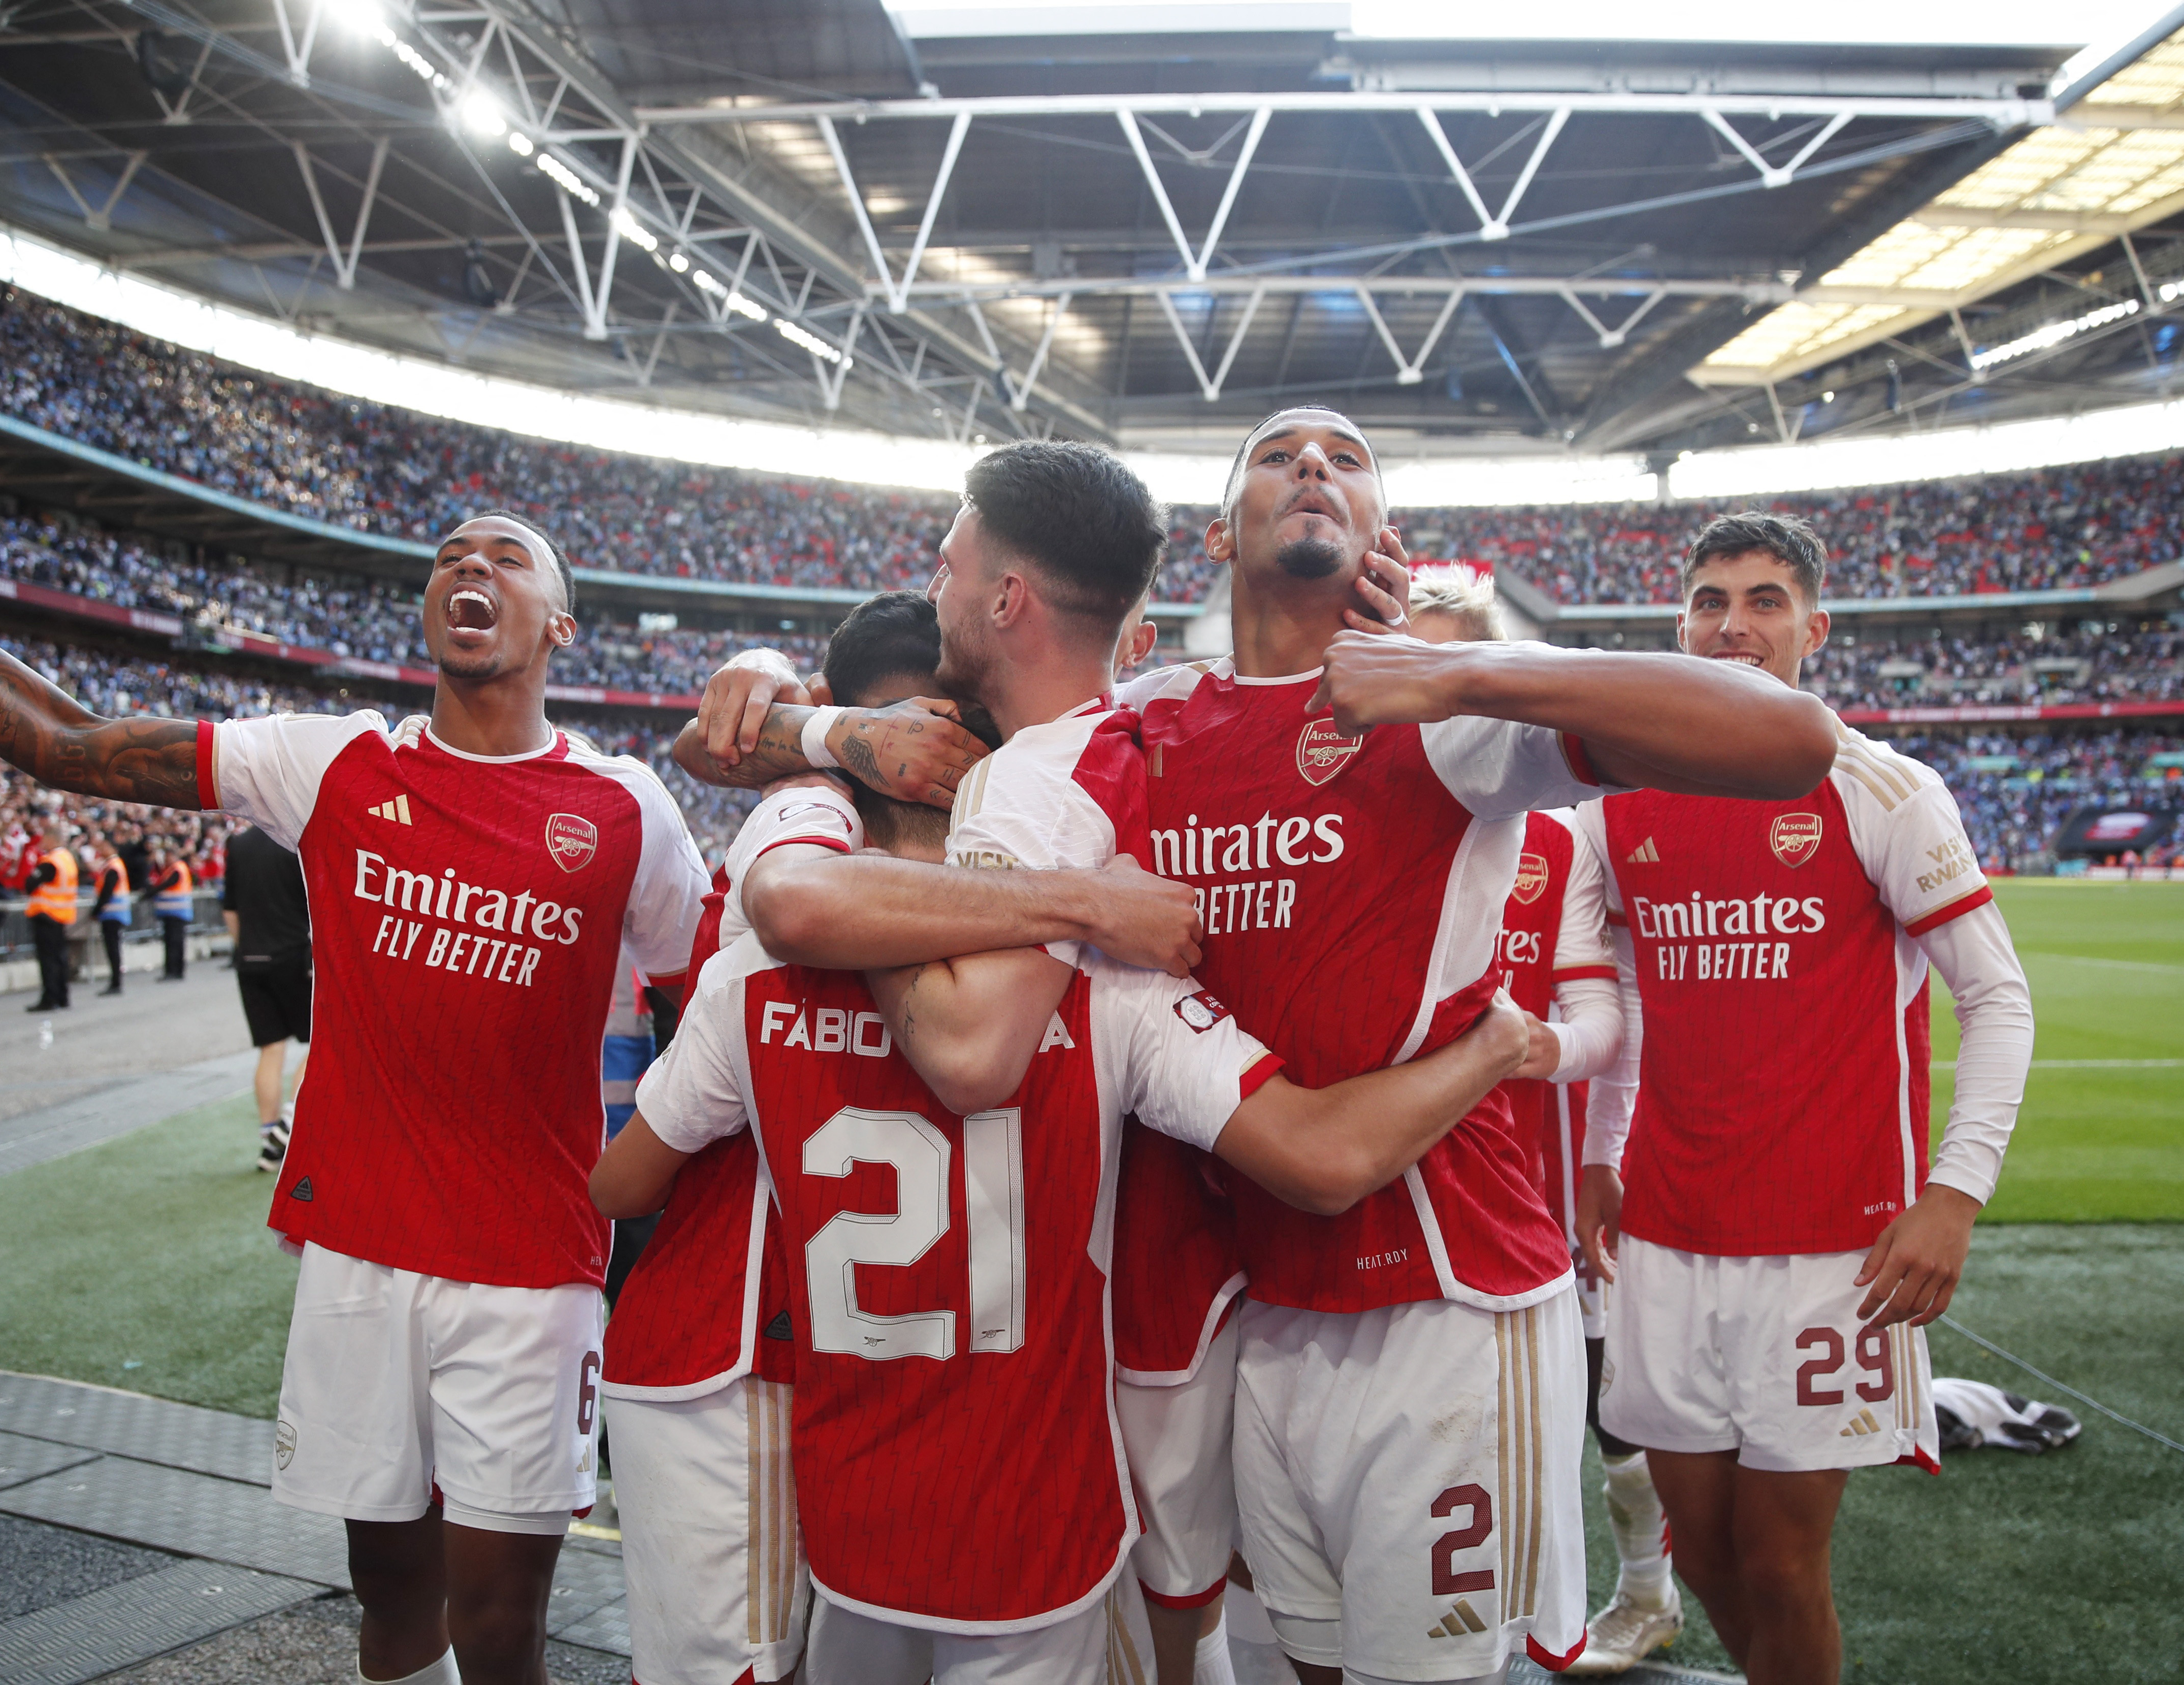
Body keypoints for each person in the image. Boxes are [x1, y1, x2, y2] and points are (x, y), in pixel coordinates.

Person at [682, 407, 1838, 1685]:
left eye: (1346, 459)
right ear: (1217, 539)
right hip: (1269, 1308)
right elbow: (965, 710)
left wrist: (1464, 668)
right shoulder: (1150, 725)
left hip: (1442, 1297)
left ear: (1379, 534)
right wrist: (785, 713)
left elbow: (1788, 743)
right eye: (1278, 456)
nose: (1311, 467)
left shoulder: (1437, 717)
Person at [0, 454, 761, 1685]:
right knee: (390, 1602)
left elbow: (707, 998)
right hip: (357, 1254)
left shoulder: (623, 810)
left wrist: (651, 1184)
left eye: (507, 557)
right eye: (453, 552)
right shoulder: (333, 761)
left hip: (532, 1272)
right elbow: (68, 742)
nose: (471, 565)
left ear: (557, 624)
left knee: (503, 1626)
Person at [593, 768, 1533, 1685]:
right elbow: (1320, 1156)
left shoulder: (750, 980)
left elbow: (620, 1182)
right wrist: (1499, 1040)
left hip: (853, 1504)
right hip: (1036, 1509)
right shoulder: (1104, 989)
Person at [602, 588, 1202, 1685]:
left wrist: (811, 733)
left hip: (862, 1370)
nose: (929, 761)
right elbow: (723, 755)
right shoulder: (1050, 929)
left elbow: (621, 1177)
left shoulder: (795, 880)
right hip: (771, 1360)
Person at [1574, 513, 2034, 1685]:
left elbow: (1997, 998)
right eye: (1710, 601)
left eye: (1764, 600)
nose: (1732, 625)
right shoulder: (1613, 801)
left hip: (1829, 1244)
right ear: (1677, 623)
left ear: (1812, 629)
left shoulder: (1879, 787)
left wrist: (1950, 1198)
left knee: (1782, 1564)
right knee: (1705, 1549)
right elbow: (1618, 995)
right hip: (1663, 1238)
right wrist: (1597, 1152)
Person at [1407, 570, 1665, 1673]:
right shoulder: (1340, 822)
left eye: (1458, 677)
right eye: (1414, 673)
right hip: (1384, 1196)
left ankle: (1633, 1594)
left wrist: (1531, 1049)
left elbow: (1607, 1018)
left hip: (1534, 1203)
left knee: (1591, 1416)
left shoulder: (1555, 843)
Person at [222, 821, 311, 1173]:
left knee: (270, 1049)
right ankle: (289, 1124)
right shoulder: (295, 840)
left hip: (251, 958)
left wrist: (245, 947)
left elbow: (230, 910)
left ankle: (268, 1136)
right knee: (320, 1041)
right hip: (294, 957)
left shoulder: (239, 844)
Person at [22, 820, 79, 1013]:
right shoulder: (68, 859)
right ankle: (62, 997)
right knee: (60, 958)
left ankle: (50, 998)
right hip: (62, 914)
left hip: (47, 914)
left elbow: (30, 884)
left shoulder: (51, 861)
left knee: (49, 961)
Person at [91, 833, 133, 996]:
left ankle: (116, 983)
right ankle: (116, 982)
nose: (101, 849)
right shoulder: (112, 865)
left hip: (113, 914)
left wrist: (97, 911)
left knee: (113, 950)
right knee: (114, 949)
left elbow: (107, 892)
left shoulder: (113, 866)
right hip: (114, 914)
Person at [150, 841, 194, 980]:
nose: (166, 859)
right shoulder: (171, 869)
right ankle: (173, 970)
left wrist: (150, 893)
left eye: (168, 856)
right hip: (172, 912)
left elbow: (166, 885)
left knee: (175, 943)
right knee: (172, 943)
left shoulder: (178, 868)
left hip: (177, 912)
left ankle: (175, 971)